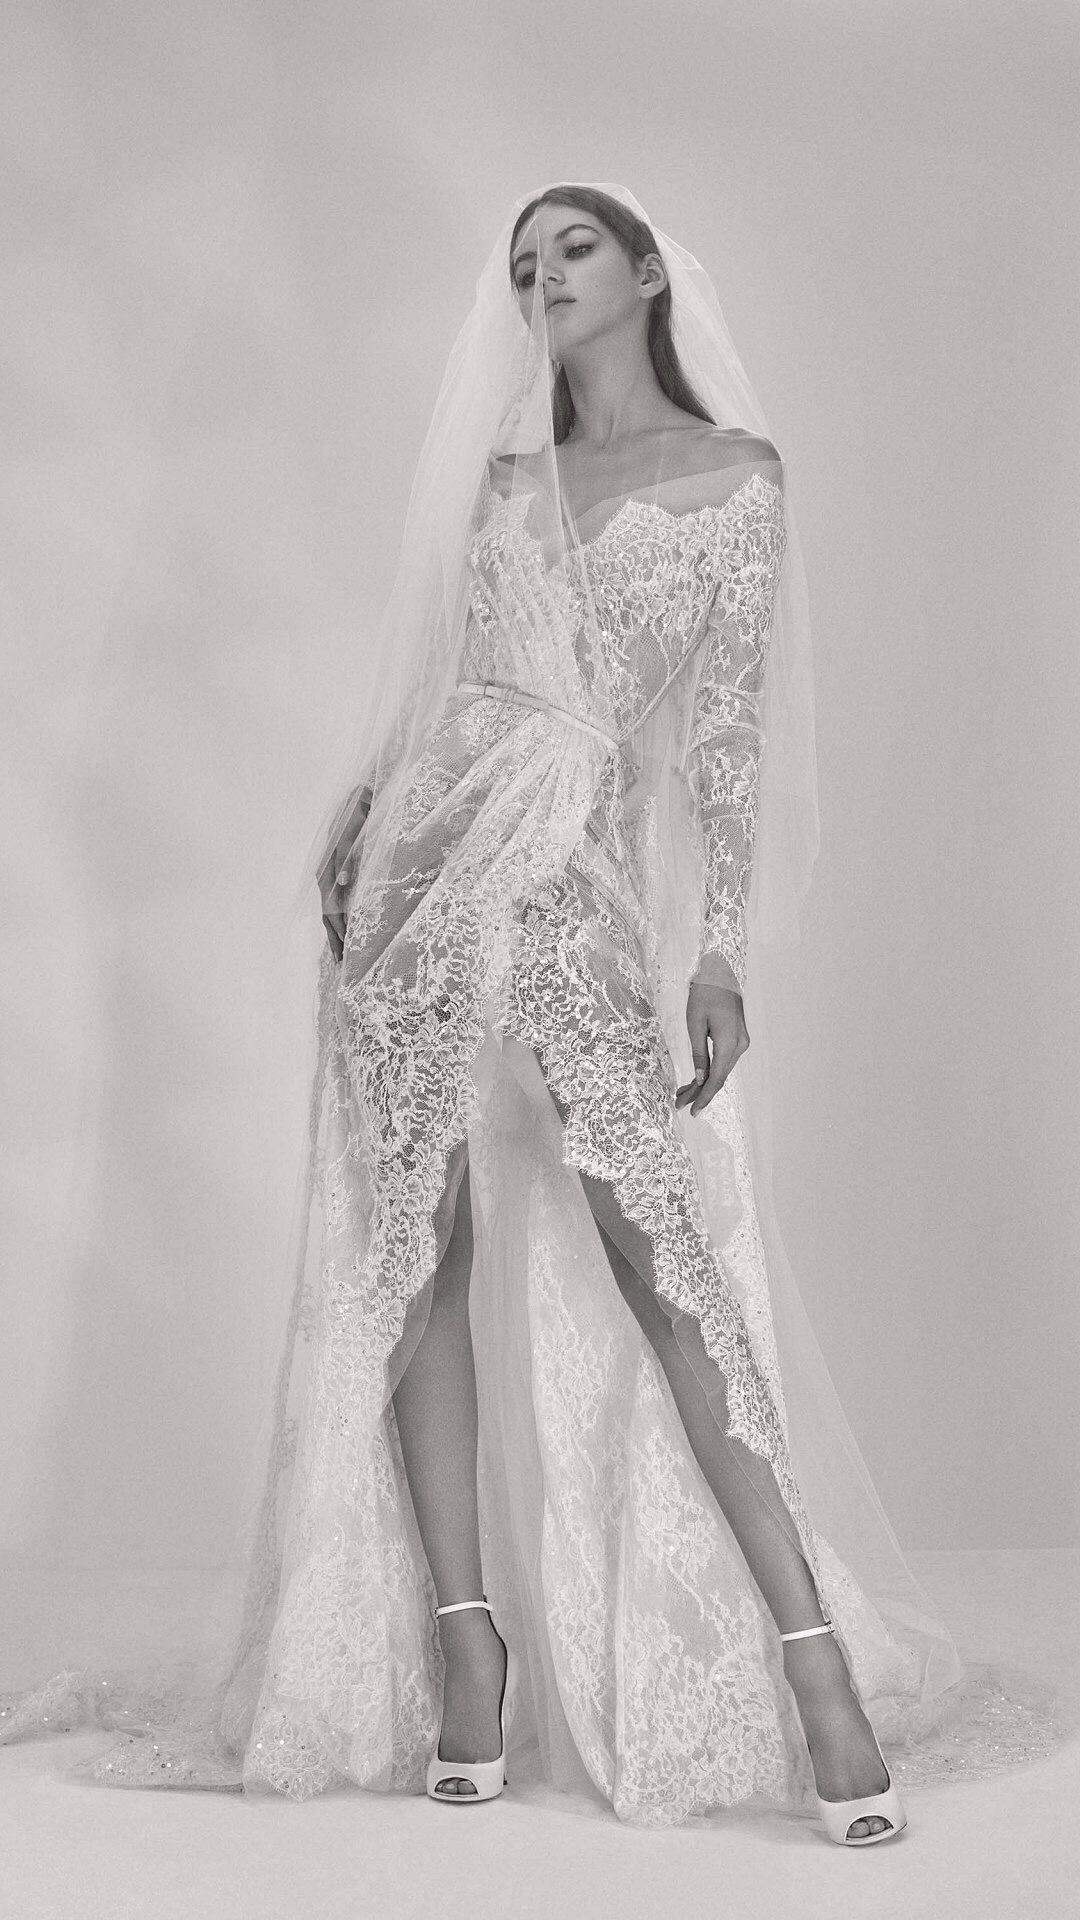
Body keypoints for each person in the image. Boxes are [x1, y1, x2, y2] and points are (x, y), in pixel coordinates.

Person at [0, 182, 1062, 1842]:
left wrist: (718, 953)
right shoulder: (502, 480)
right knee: (414, 1243)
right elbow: (446, 674)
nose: (542, 278)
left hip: (572, 857)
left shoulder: (736, 478)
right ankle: (465, 1646)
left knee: (658, 1249)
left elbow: (724, 736)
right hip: (422, 863)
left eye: (572, 248)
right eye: (521, 265)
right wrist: (363, 809)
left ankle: (815, 1667)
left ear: (646, 270)